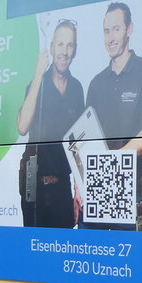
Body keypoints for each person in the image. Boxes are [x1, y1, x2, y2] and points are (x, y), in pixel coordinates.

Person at [84, 2, 142, 230]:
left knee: (127, 264)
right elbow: (87, 140)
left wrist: (110, 163)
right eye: (106, 31)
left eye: (116, 29)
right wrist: (79, 184)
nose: (110, 38)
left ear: (129, 29)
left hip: (129, 194)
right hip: (95, 191)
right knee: (94, 262)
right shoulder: (96, 83)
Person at [17, 19, 84, 227]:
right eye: (61, 44)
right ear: (52, 47)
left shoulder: (76, 88)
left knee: (62, 247)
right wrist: (38, 74)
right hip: (36, 187)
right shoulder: (38, 84)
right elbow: (22, 126)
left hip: (63, 186)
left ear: (75, 50)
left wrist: (77, 189)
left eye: (70, 45)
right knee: (34, 249)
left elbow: (78, 143)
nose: (65, 51)